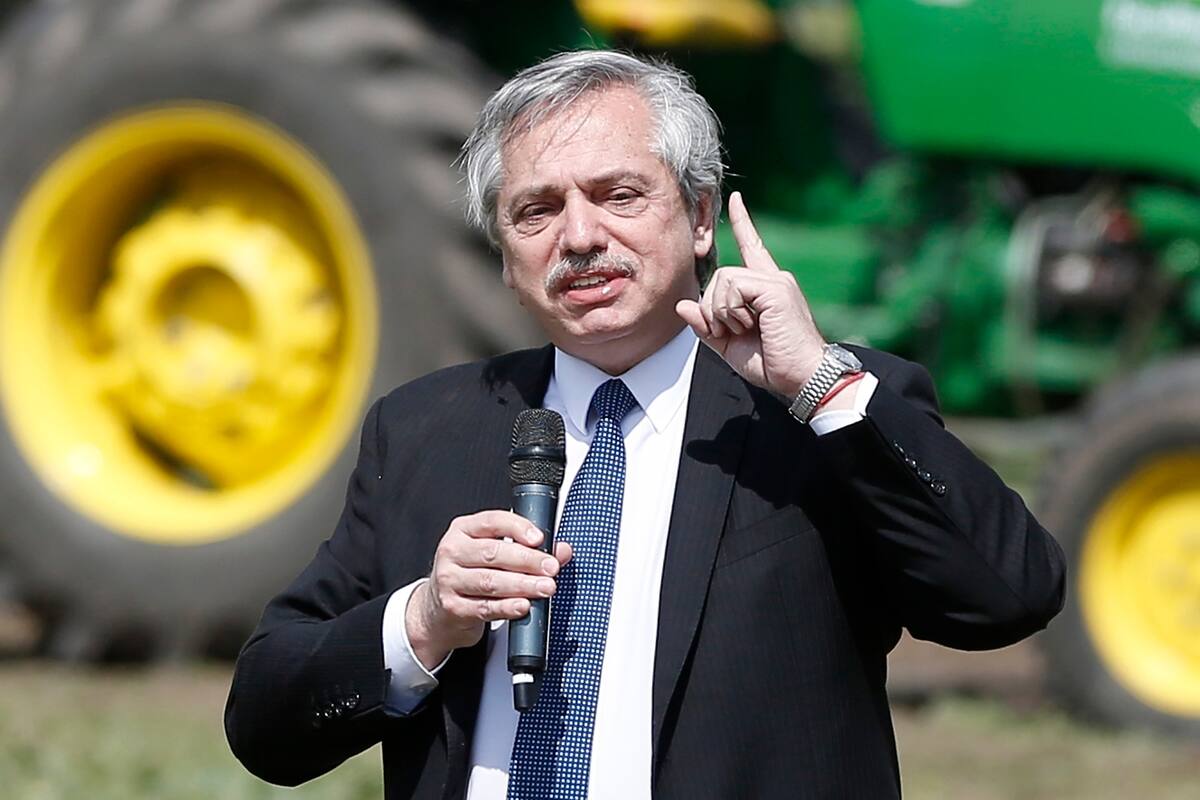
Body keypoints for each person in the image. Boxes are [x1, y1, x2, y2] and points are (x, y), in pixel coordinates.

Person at [225, 50, 1065, 799]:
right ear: (507, 260)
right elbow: (265, 722)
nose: (580, 236)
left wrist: (816, 386)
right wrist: (424, 620)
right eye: (536, 211)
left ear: (700, 218)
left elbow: (1007, 595)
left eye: (618, 195)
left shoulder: (814, 414)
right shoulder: (423, 429)